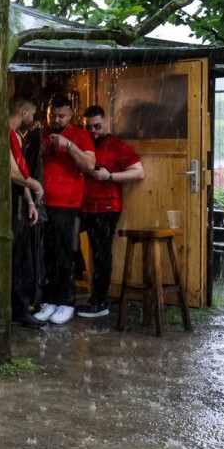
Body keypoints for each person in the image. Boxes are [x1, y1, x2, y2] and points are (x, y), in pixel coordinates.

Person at [32, 94, 96, 325]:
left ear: (71, 114)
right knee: (46, 253)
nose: (56, 120)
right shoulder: (42, 134)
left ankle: (67, 301)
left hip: (67, 204)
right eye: (53, 115)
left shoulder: (80, 135)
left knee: (64, 254)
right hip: (44, 203)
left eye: (61, 116)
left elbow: (90, 165)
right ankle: (49, 300)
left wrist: (68, 145)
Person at [78, 105, 145, 318]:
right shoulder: (83, 143)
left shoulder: (116, 145)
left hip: (107, 207)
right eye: (88, 127)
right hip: (83, 206)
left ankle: (99, 301)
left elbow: (139, 172)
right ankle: (75, 291)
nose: (93, 131)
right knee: (66, 242)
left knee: (101, 253)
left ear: (106, 123)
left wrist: (110, 177)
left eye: (97, 126)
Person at [8, 96, 47, 329]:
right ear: (23, 112)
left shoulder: (18, 136)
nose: (32, 119)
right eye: (31, 114)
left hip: (20, 203)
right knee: (13, 259)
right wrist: (36, 186)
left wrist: (31, 202)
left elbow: (20, 172)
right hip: (8, 203)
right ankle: (17, 308)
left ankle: (20, 307)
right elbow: (12, 173)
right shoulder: (5, 134)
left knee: (21, 260)